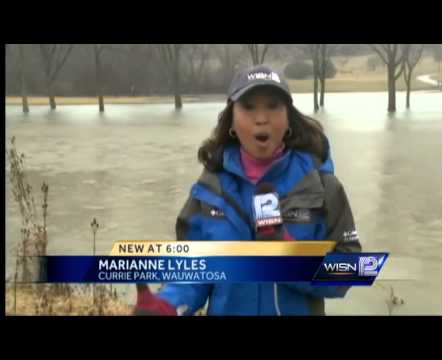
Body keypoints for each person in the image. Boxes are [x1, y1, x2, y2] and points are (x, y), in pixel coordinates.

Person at [134, 64, 361, 316]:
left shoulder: (322, 186)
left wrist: (288, 257)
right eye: (249, 107)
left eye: (273, 106)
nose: (261, 118)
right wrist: (168, 304)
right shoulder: (209, 191)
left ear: (288, 118)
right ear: (232, 118)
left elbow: (350, 271)